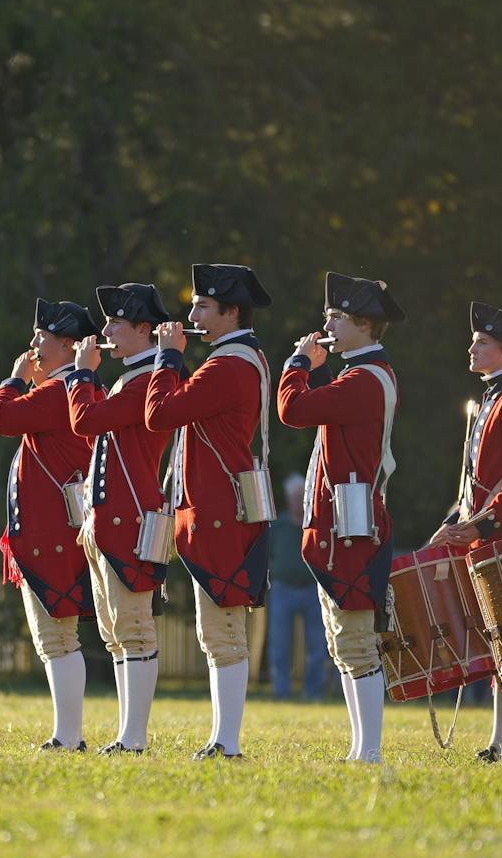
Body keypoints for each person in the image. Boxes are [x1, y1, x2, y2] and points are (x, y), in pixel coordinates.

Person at [145, 262, 273, 760]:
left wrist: (166, 358)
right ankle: (223, 737)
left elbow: (161, 413)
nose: (191, 312)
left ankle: (228, 740)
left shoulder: (229, 364)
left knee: (222, 631)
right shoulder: (238, 359)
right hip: (223, 505)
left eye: (201, 305)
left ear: (230, 311)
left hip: (219, 509)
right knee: (217, 630)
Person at [278, 271, 402, 763]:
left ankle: (369, 749)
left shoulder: (364, 379)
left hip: (351, 526)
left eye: (334, 317)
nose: (325, 324)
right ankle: (359, 748)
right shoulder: (362, 373)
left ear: (363, 324)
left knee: (355, 640)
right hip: (343, 523)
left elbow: (292, 409)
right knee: (343, 643)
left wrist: (298, 363)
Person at [430, 301, 502, 760]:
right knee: (498, 638)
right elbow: (473, 477)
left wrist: (483, 525)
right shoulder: (495, 395)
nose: (472, 347)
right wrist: (456, 521)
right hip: (483, 529)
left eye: (482, 342)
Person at [0, 298, 100, 751]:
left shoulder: (58, 391)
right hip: (53, 530)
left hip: (51, 533)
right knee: (56, 636)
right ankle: (67, 733)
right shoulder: (67, 388)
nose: (32, 345)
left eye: (42, 337)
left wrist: (14, 378)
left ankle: (68, 736)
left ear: (68, 345)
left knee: (57, 636)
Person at [66, 283, 172, 754]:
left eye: (115, 324)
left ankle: (135, 737)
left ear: (143, 330)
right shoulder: (129, 378)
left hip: (129, 520)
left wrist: (80, 374)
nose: (104, 332)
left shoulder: (146, 379)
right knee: (114, 633)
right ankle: (127, 734)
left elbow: (85, 422)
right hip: (107, 520)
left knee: (133, 629)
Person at [265, 474, 328, 700]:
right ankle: (280, 692)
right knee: (279, 645)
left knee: (318, 645)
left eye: (301, 497)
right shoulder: (278, 525)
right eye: (294, 497)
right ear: (287, 499)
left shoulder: (316, 524)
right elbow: (267, 556)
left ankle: (314, 693)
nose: (297, 501)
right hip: (282, 589)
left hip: (313, 589)